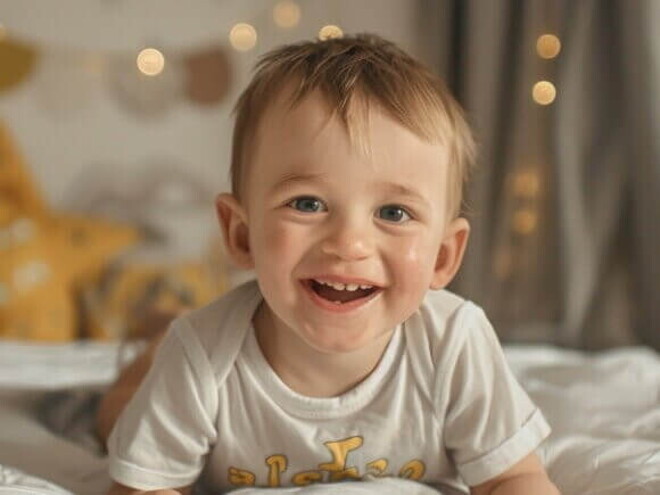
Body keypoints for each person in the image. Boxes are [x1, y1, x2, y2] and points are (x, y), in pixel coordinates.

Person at [101, 34, 560, 495]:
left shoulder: (454, 344)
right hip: (181, 357)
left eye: (394, 213)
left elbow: (514, 477)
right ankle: (145, 357)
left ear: (443, 256)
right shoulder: (201, 357)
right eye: (307, 203)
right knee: (114, 417)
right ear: (241, 234)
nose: (349, 244)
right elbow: (142, 485)